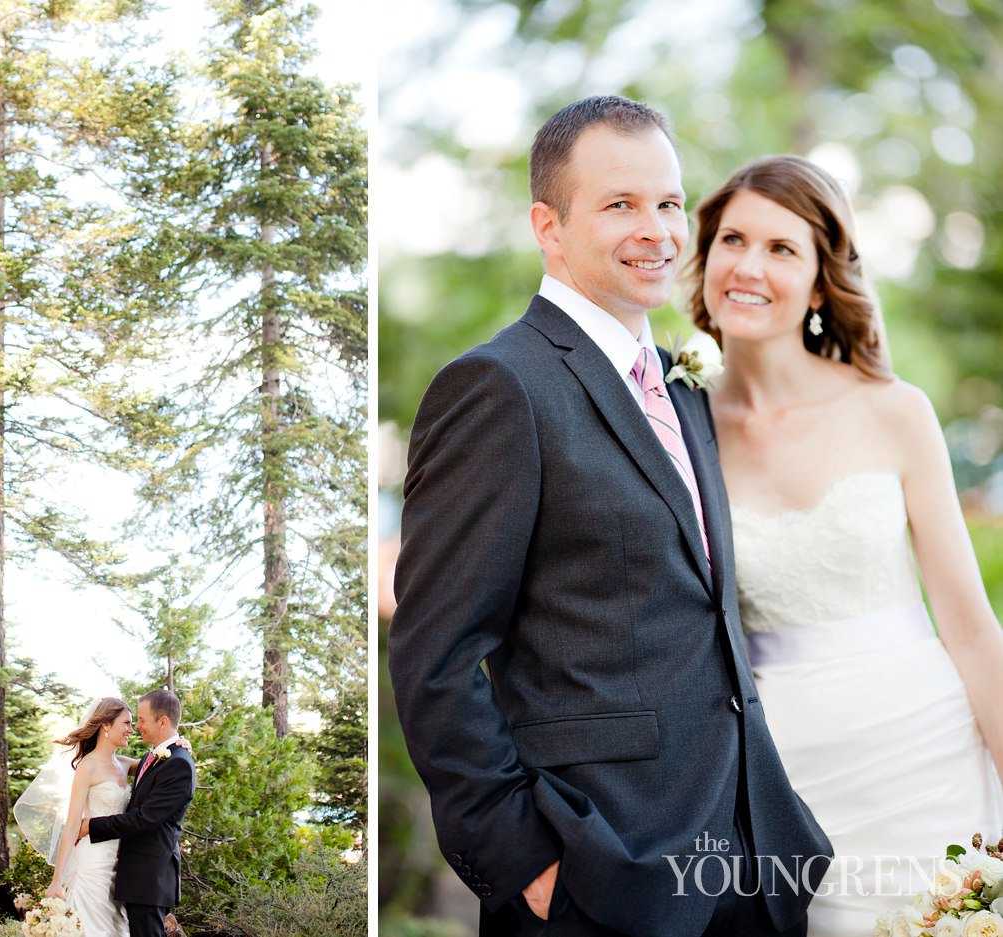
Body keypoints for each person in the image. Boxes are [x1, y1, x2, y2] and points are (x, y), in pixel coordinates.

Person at [388, 95, 831, 937]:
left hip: (750, 864)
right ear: (548, 227)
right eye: (620, 204)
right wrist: (526, 862)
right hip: (601, 872)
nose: (657, 230)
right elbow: (433, 653)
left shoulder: (681, 383)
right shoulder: (498, 387)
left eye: (668, 202)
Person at [684, 153, 1003, 935]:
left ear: (822, 281)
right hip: (784, 785)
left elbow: (969, 626)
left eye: (781, 249)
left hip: (928, 758)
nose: (748, 266)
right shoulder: (677, 427)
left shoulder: (895, 411)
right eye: (733, 240)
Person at [77, 689, 196, 937]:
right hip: (134, 877)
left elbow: (145, 819)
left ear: (163, 721)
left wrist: (91, 826)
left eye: (141, 720)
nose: (137, 727)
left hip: (150, 878)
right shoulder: (152, 758)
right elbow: (115, 765)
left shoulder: (179, 764)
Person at [25, 697, 139, 937]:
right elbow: (72, 826)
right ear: (106, 726)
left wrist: (177, 745)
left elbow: (160, 765)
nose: (132, 730)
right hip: (93, 864)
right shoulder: (88, 767)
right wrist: (56, 881)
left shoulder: (124, 764)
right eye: (126, 723)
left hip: (122, 864)